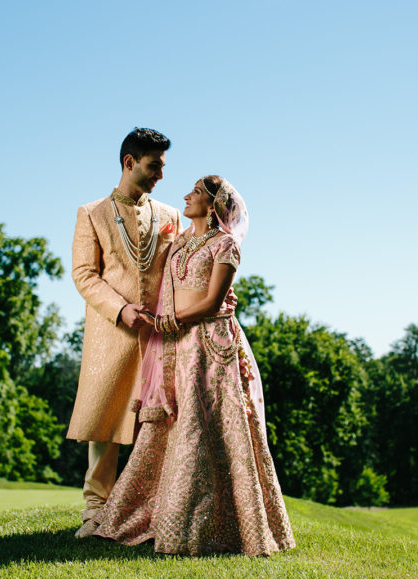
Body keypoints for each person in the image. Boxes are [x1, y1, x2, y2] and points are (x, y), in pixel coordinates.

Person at [92, 176, 295, 556]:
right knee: (177, 425)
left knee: (211, 428)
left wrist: (167, 322)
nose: (187, 195)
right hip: (179, 347)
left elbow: (214, 302)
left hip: (213, 347)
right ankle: (160, 517)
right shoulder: (181, 243)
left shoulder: (226, 246)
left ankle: (217, 529)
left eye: (197, 192)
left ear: (215, 204)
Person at [68, 128, 181, 538]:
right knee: (105, 421)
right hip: (110, 333)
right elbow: (84, 275)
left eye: (163, 168)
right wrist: (120, 310)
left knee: (160, 422)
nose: (160, 176)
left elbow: (182, 268)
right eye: (154, 167)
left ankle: (153, 510)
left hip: (161, 334)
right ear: (129, 163)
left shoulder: (170, 216)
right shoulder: (91, 213)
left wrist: (219, 296)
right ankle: (95, 511)